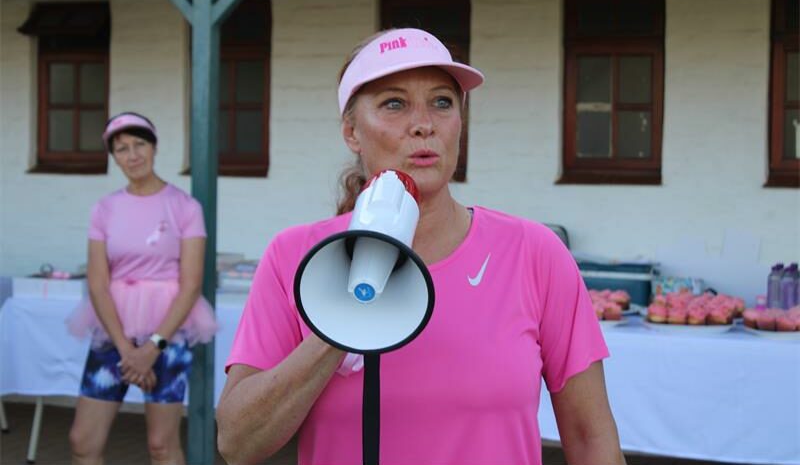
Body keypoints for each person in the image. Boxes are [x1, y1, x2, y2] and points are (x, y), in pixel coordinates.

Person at [216, 28, 625, 465]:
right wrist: (341, 325)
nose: (424, 124)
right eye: (394, 104)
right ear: (351, 132)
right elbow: (238, 443)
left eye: (442, 102)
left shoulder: (533, 252)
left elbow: (591, 439)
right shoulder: (295, 255)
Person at [67, 112, 218, 465]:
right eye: (122, 149)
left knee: (161, 446)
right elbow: (98, 283)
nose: (132, 155)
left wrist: (151, 348)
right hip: (113, 331)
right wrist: (127, 350)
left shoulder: (185, 207)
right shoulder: (104, 209)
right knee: (82, 442)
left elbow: (191, 284)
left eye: (139, 144)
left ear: (154, 147)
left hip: (168, 332)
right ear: (113, 156)